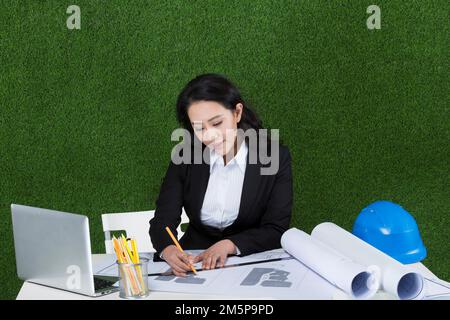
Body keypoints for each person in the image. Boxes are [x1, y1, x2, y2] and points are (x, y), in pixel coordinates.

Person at [149, 73, 293, 276]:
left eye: (217, 123)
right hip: (194, 263)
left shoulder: (275, 158)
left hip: (249, 262)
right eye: (199, 128)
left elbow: (276, 228)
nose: (209, 135)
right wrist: (168, 249)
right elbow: (162, 221)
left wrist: (230, 245)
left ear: (237, 112)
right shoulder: (185, 157)